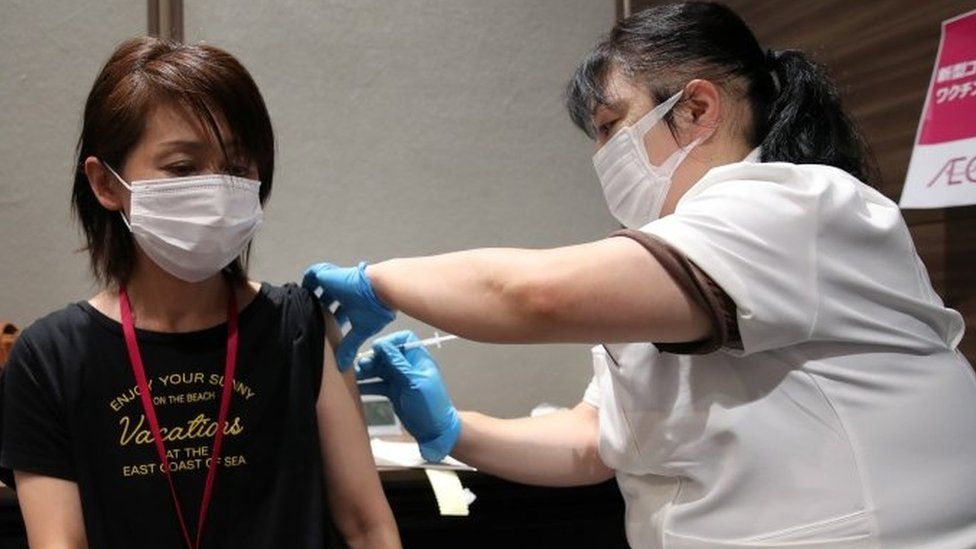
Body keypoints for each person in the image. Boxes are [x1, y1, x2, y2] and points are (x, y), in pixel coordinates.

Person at [303, 3, 976, 548]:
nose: (602, 156)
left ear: (696, 108)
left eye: (609, 125)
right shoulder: (678, 258)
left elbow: (536, 296)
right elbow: (591, 442)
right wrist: (451, 426)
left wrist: (376, 281)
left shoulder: (795, 207)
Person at [0, 38, 400, 548]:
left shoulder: (300, 326)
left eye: (236, 168)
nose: (215, 193)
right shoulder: (48, 359)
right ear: (105, 184)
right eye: (183, 168)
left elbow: (368, 527)